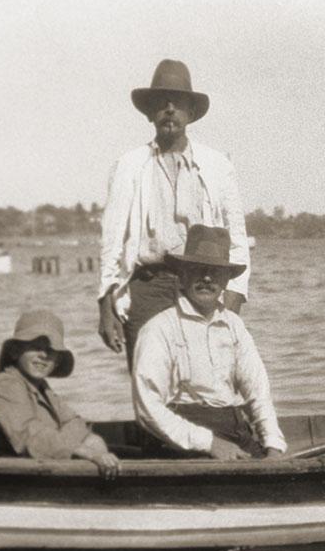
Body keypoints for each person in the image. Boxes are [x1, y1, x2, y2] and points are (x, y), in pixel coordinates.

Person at [98, 59, 250, 371]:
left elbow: (237, 239)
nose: (170, 109)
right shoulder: (129, 165)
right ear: (150, 112)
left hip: (202, 287)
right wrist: (105, 305)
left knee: (202, 382)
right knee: (150, 386)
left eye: (178, 103)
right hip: (146, 288)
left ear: (191, 113)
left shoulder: (218, 166)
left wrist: (232, 302)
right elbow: (111, 240)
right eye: (161, 103)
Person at [132, 224, 286, 460]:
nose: (206, 278)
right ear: (182, 275)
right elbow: (148, 408)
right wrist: (210, 444)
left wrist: (274, 445)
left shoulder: (234, 326)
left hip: (235, 430)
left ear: (226, 281)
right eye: (198, 270)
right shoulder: (159, 329)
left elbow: (258, 391)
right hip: (183, 440)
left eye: (215, 272)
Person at [0, 310, 120, 479]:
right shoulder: (6, 384)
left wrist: (89, 447)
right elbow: (30, 437)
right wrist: (84, 452)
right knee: (85, 447)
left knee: (94, 441)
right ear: (15, 351)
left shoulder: (43, 389)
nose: (44, 355)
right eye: (35, 347)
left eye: (51, 350)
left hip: (24, 464)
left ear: (58, 361)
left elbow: (75, 423)